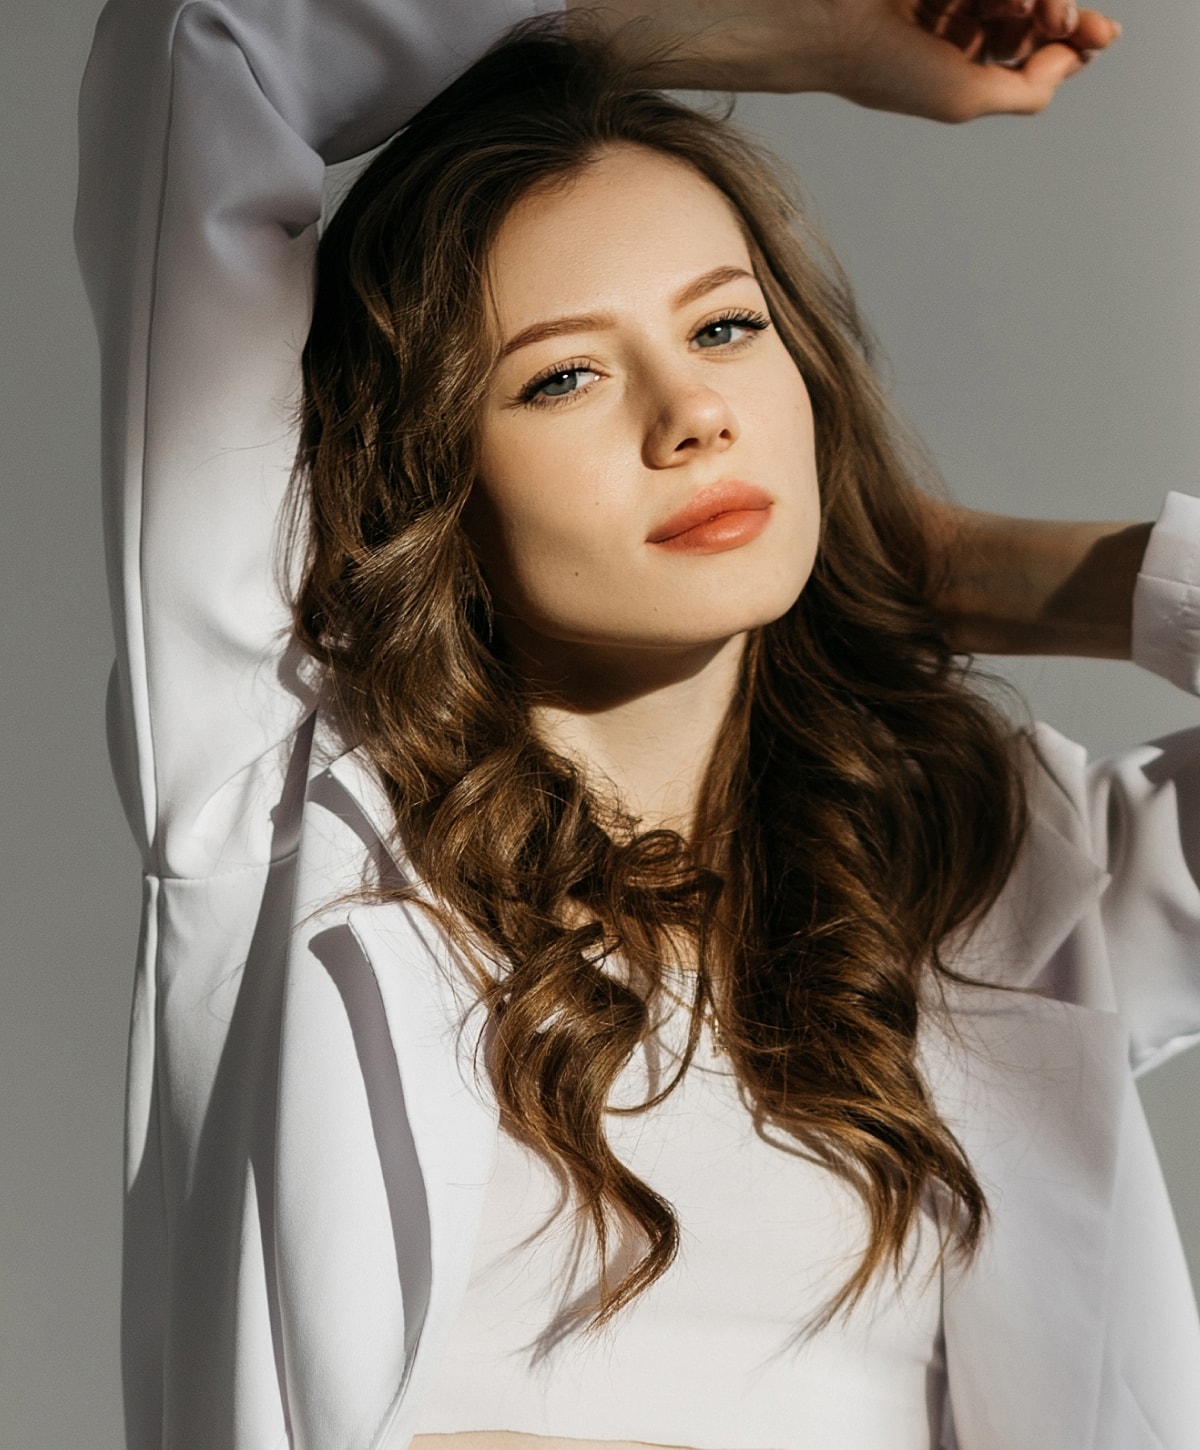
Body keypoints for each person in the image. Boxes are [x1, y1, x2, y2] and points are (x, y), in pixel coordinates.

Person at [73, 2, 1196, 1449]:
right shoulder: (283, 807)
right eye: (563, 377)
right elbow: (207, 40)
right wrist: (806, 36)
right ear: (433, 481)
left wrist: (965, 565)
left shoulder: (983, 870)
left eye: (727, 326)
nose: (691, 417)